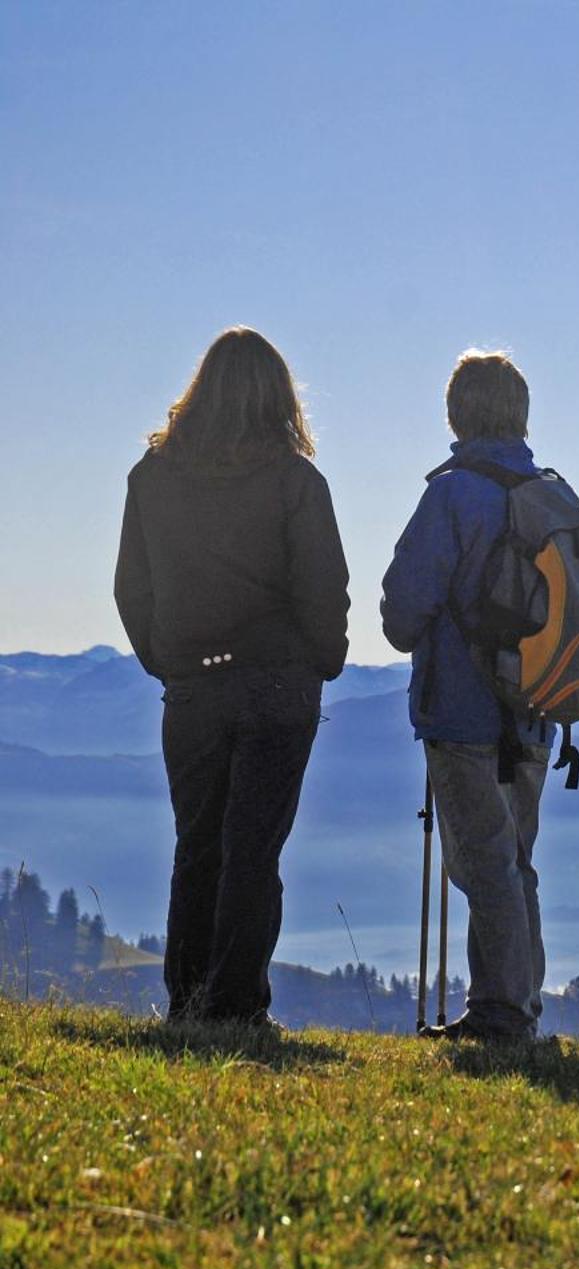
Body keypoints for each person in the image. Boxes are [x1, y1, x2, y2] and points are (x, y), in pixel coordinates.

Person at [114, 327, 350, 1027]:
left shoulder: (151, 476)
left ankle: (187, 999)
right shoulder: (295, 480)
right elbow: (322, 584)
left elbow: (133, 588)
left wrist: (169, 660)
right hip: (278, 684)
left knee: (198, 843)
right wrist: (322, 659)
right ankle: (236, 1004)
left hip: (192, 687)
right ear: (279, 396)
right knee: (253, 849)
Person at [381, 350, 557, 1042]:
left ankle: (502, 1013)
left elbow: (402, 612)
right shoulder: (550, 497)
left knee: (484, 863)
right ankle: (517, 1002)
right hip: (536, 712)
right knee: (514, 861)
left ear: (457, 413)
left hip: (461, 710)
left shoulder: (451, 495)